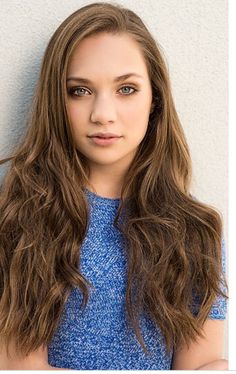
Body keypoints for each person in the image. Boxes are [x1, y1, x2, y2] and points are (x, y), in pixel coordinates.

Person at [0, 2, 228, 370]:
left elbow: (205, 364)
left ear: (154, 98)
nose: (103, 113)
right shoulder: (21, 217)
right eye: (79, 91)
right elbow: (20, 368)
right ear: (56, 102)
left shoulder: (195, 229)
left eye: (126, 88)